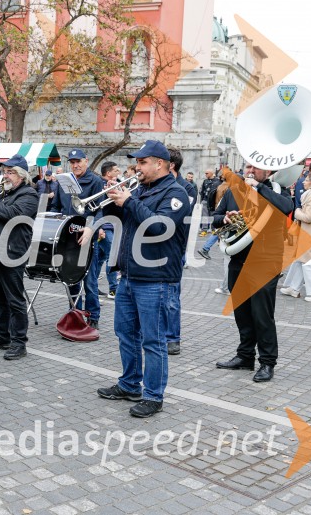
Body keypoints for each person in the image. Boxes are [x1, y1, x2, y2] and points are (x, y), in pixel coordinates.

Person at [96, 141, 189, 418]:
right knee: (126, 334)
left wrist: (129, 201)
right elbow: (121, 220)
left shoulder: (176, 193)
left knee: (153, 340)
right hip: (130, 275)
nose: (137, 167)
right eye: (137, 162)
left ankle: (153, 395)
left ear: (159, 164)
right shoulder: (141, 190)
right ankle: (129, 384)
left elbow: (160, 227)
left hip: (156, 279)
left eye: (143, 162)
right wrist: (113, 201)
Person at [214, 163, 293, 383]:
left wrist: (258, 187)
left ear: (267, 172)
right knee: (242, 312)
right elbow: (215, 216)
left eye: (256, 168)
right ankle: (245, 356)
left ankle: (267, 362)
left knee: (262, 314)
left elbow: (287, 207)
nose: (250, 170)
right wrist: (225, 218)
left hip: (265, 260)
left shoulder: (276, 190)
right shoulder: (232, 191)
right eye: (248, 166)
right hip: (238, 259)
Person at [0, 154, 39, 360]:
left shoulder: (29, 194)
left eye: (10, 172)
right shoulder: (5, 192)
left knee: (15, 300)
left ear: (22, 175)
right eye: (5, 172)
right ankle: (2, 335)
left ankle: (19, 342)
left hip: (12, 253)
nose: (5, 176)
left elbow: (13, 214)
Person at [53, 149, 105, 329]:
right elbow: (56, 207)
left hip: (87, 238)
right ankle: (75, 313)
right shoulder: (64, 182)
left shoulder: (96, 181)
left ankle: (93, 317)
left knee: (89, 282)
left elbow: (101, 211)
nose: (75, 165)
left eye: (79, 162)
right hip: (67, 239)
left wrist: (92, 228)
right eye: (72, 162)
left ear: (86, 161)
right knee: (70, 279)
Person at [280, 173, 311, 303]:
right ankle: (293, 287)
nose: (303, 182)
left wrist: (297, 212)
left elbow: (308, 217)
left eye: (307, 180)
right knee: (300, 260)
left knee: (309, 263)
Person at [166, 147, 196, 355]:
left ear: (171, 165)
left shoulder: (187, 188)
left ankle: (173, 338)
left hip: (176, 245)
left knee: (171, 295)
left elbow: (181, 218)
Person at [97, 162, 121, 299]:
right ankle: (113, 289)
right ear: (108, 173)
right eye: (116, 170)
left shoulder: (115, 184)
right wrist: (100, 227)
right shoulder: (101, 185)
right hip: (105, 227)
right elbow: (98, 208)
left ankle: (93, 288)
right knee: (112, 257)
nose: (119, 172)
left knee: (100, 259)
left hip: (111, 226)